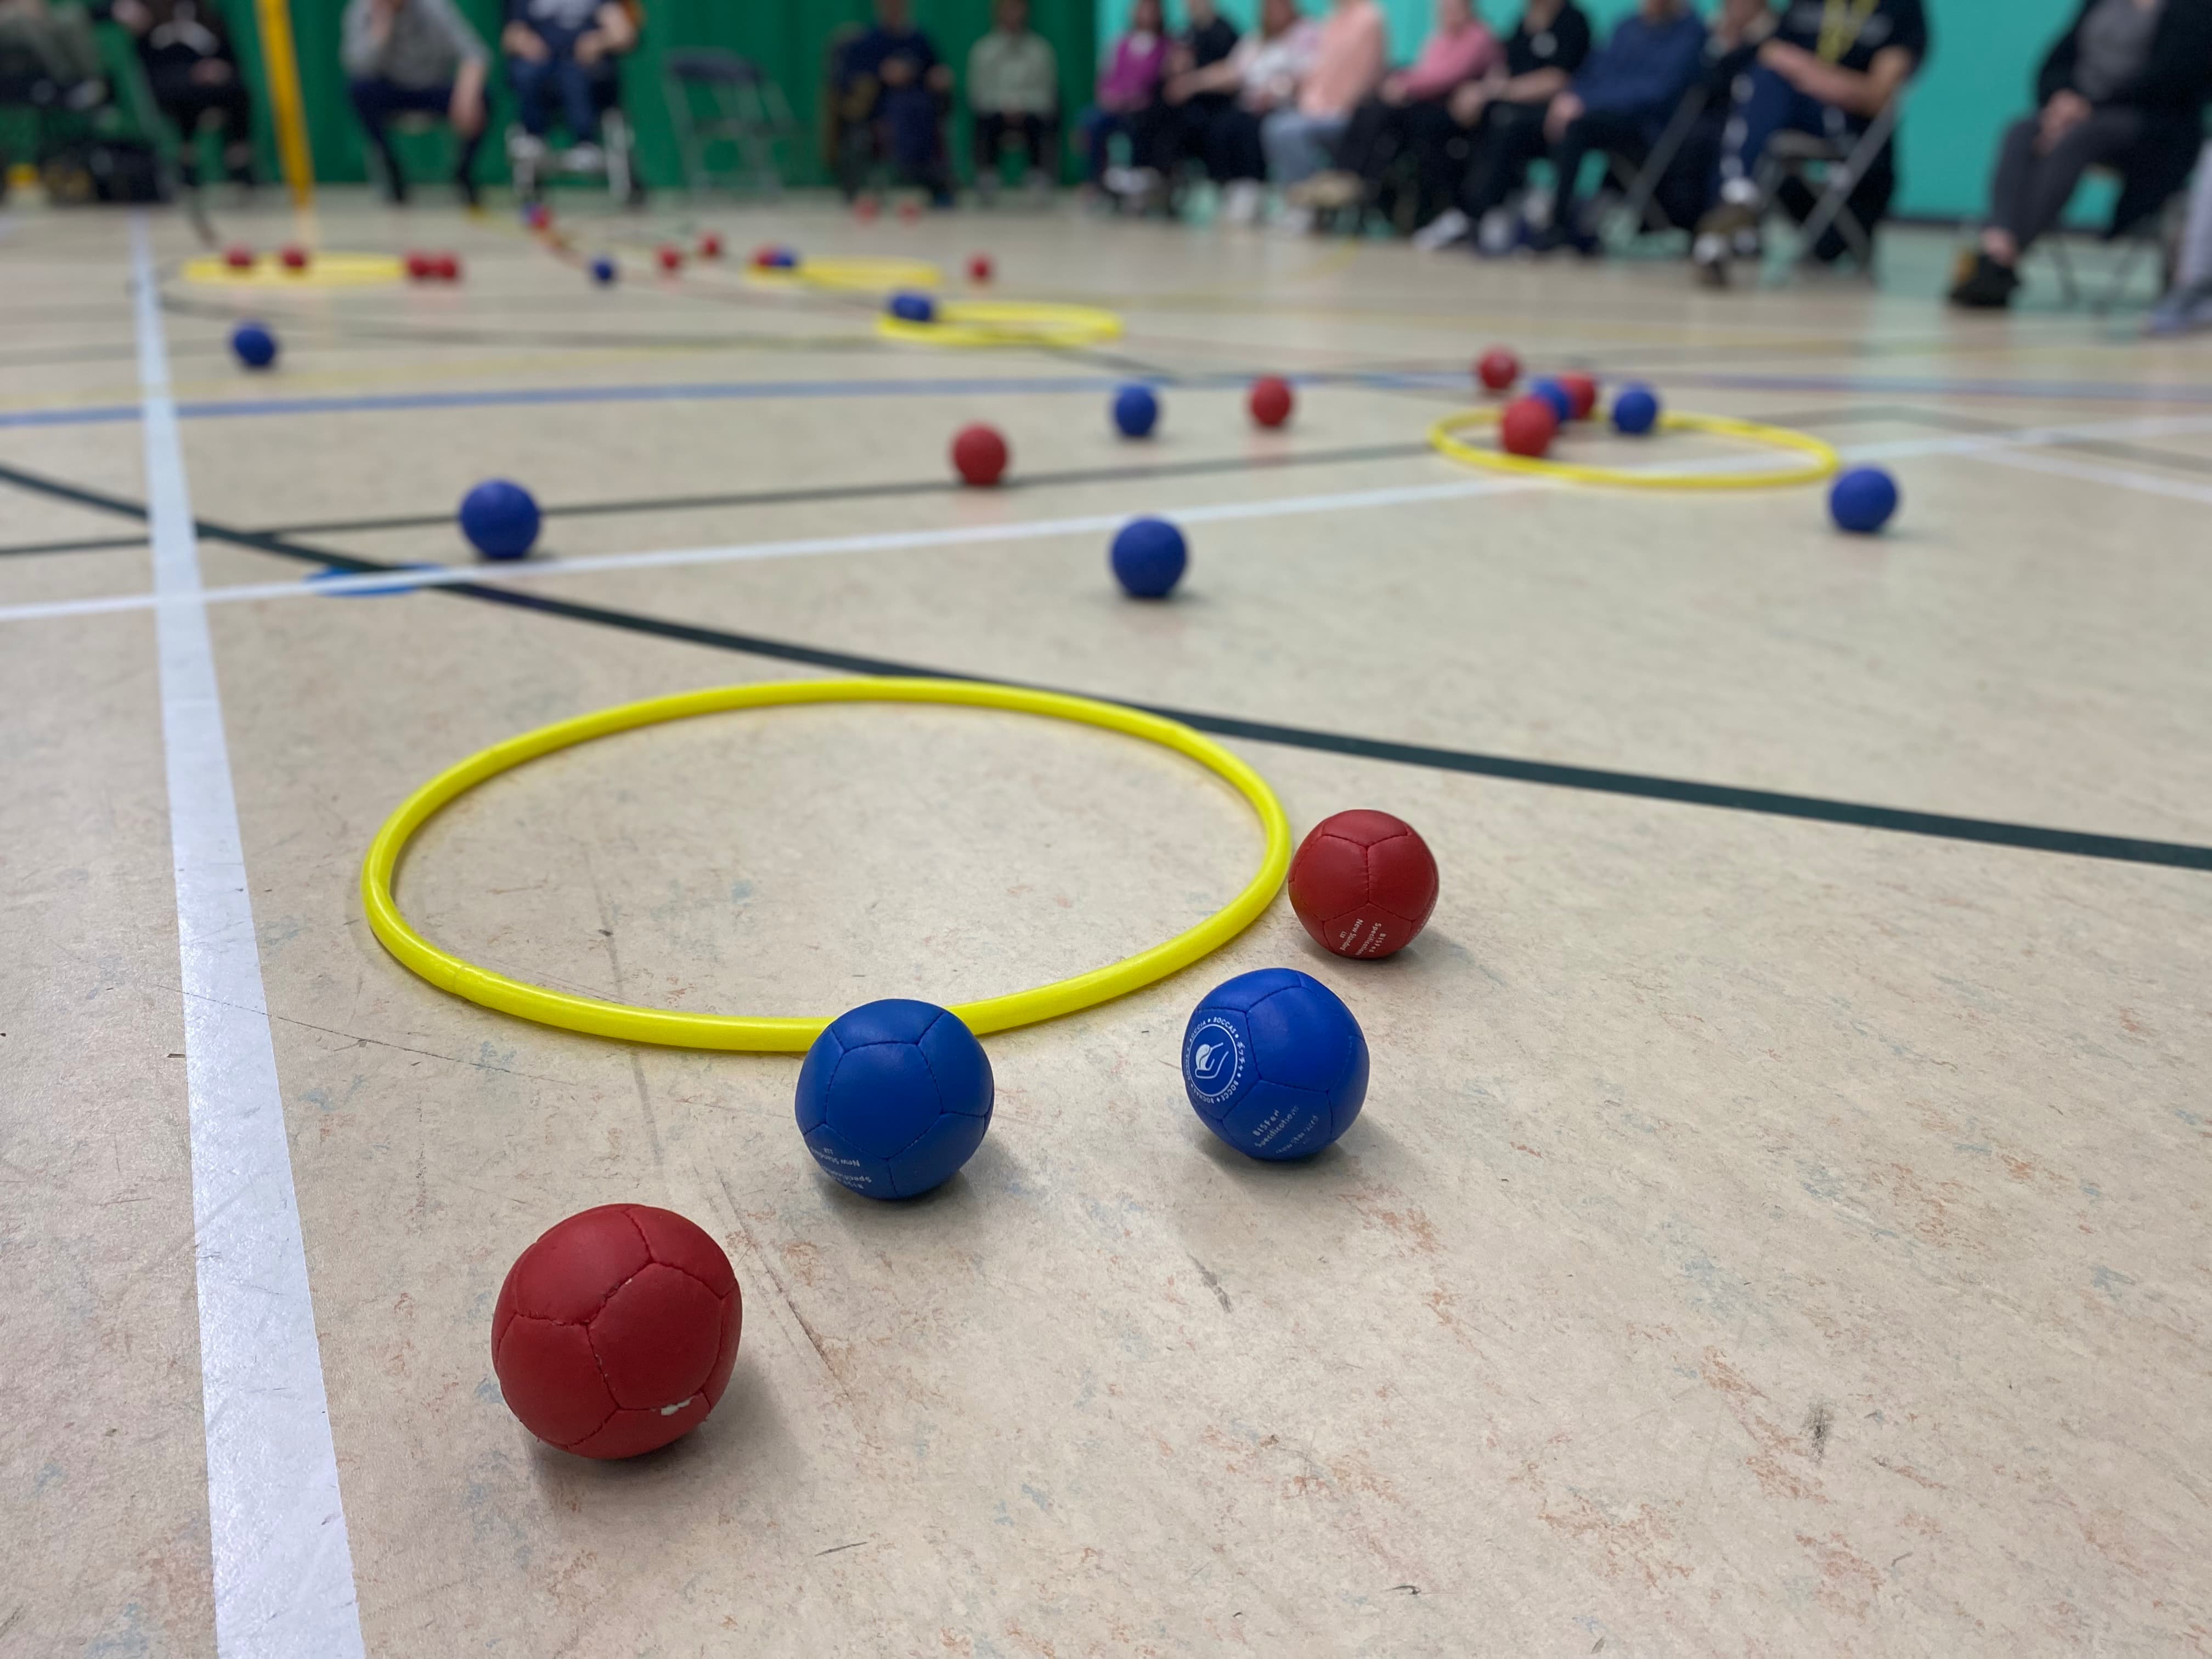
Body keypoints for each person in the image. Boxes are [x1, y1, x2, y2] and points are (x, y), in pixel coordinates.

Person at [1950, 0, 2212, 310]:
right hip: (2078, 112)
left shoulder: (2194, 10)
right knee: (2021, 131)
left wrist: (2088, 109)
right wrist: (2062, 101)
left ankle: (2002, 257)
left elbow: (2174, 79)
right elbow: (2057, 61)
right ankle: (1999, 239)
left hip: (2150, 123)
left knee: (2077, 140)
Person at [1690, 0, 1929, 286]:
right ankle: (1738, 203)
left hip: (1848, 129)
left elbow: (1876, 97)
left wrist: (1808, 72)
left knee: (1769, 82)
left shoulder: (1899, 9)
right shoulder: (1805, 5)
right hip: (1791, 119)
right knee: (1756, 85)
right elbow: (1769, 53)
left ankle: (1737, 209)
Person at [1409, 0, 1592, 250]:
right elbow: (1504, 69)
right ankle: (1464, 208)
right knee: (1453, 120)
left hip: (1550, 115)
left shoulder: (1572, 21)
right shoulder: (1523, 22)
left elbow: (1558, 78)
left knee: (1503, 121)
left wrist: (1500, 91)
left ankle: (1483, 211)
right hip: (1510, 107)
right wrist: (1479, 92)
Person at [1296, 0, 1500, 220]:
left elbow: (1448, 76)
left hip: (1448, 113)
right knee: (1369, 108)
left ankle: (1358, 178)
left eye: (1453, 8)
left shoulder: (1478, 37)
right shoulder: (1440, 39)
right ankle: (1345, 174)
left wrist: (1404, 84)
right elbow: (1426, 71)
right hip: (1425, 104)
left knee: (1383, 112)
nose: (1448, 13)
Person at [1163, 0, 1317, 223]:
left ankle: (1260, 191)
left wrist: (1276, 94)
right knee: (1222, 125)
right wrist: (1190, 83)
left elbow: (1308, 73)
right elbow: (1232, 70)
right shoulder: (1257, 39)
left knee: (1252, 128)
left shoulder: (1306, 33)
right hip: (1249, 104)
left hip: (1285, 105)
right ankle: (1236, 188)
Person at [342, 0, 490, 205]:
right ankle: (390, 165)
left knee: (483, 96)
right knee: (359, 90)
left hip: (432, 88)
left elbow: (475, 53)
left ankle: (463, 171)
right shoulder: (363, 10)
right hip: (393, 91)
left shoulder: (434, 7)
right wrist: (379, 36)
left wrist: (466, 95)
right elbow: (357, 66)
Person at [109, 0, 253, 188]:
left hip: (210, 82)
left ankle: (239, 163)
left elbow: (228, 55)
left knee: (237, 91)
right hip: (174, 81)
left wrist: (217, 68)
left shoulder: (207, 15)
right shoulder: (151, 13)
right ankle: (188, 165)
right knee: (184, 96)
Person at [1262, 0, 1385, 215]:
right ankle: (1300, 196)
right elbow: (1318, 68)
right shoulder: (1333, 18)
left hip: (1346, 112)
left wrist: (1342, 105)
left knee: (1290, 132)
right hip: (1317, 106)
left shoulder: (1369, 18)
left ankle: (1309, 205)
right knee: (1275, 126)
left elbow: (1367, 75)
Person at [501, 0, 635, 172]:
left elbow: (623, 34)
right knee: (525, 72)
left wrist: (598, 42)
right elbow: (511, 35)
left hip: (585, 71)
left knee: (575, 74)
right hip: (545, 71)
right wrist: (525, 42)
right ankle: (533, 136)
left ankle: (585, 141)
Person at [843, 0, 954, 205]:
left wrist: (938, 77)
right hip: (881, 104)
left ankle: (929, 174)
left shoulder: (920, 39)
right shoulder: (868, 40)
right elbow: (851, 78)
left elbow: (934, 68)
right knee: (901, 109)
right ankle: (909, 170)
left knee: (921, 109)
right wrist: (883, 74)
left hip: (921, 102)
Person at [967, 0, 1057, 199]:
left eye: (1017, 9)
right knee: (985, 120)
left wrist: (1021, 104)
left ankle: (1038, 176)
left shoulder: (1040, 50)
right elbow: (978, 93)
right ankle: (987, 177)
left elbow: (1047, 93)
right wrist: (1005, 104)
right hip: (995, 112)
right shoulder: (983, 50)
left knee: (1041, 120)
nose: (1012, 15)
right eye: (1007, 10)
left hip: (1031, 112)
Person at [1078, 0, 1166, 190]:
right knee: (1092, 120)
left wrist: (1137, 100)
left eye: (1150, 10)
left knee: (1143, 124)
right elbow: (1106, 81)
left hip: (1144, 111)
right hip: (1115, 108)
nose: (1145, 14)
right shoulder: (1121, 45)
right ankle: (1094, 182)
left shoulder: (1165, 47)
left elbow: (1159, 85)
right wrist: (1112, 98)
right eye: (1141, 9)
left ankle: (1136, 181)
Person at [0, 0, 105, 109]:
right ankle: (66, 83)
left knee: (72, 15)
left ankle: (93, 80)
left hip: (30, 13)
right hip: (8, 21)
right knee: (24, 22)